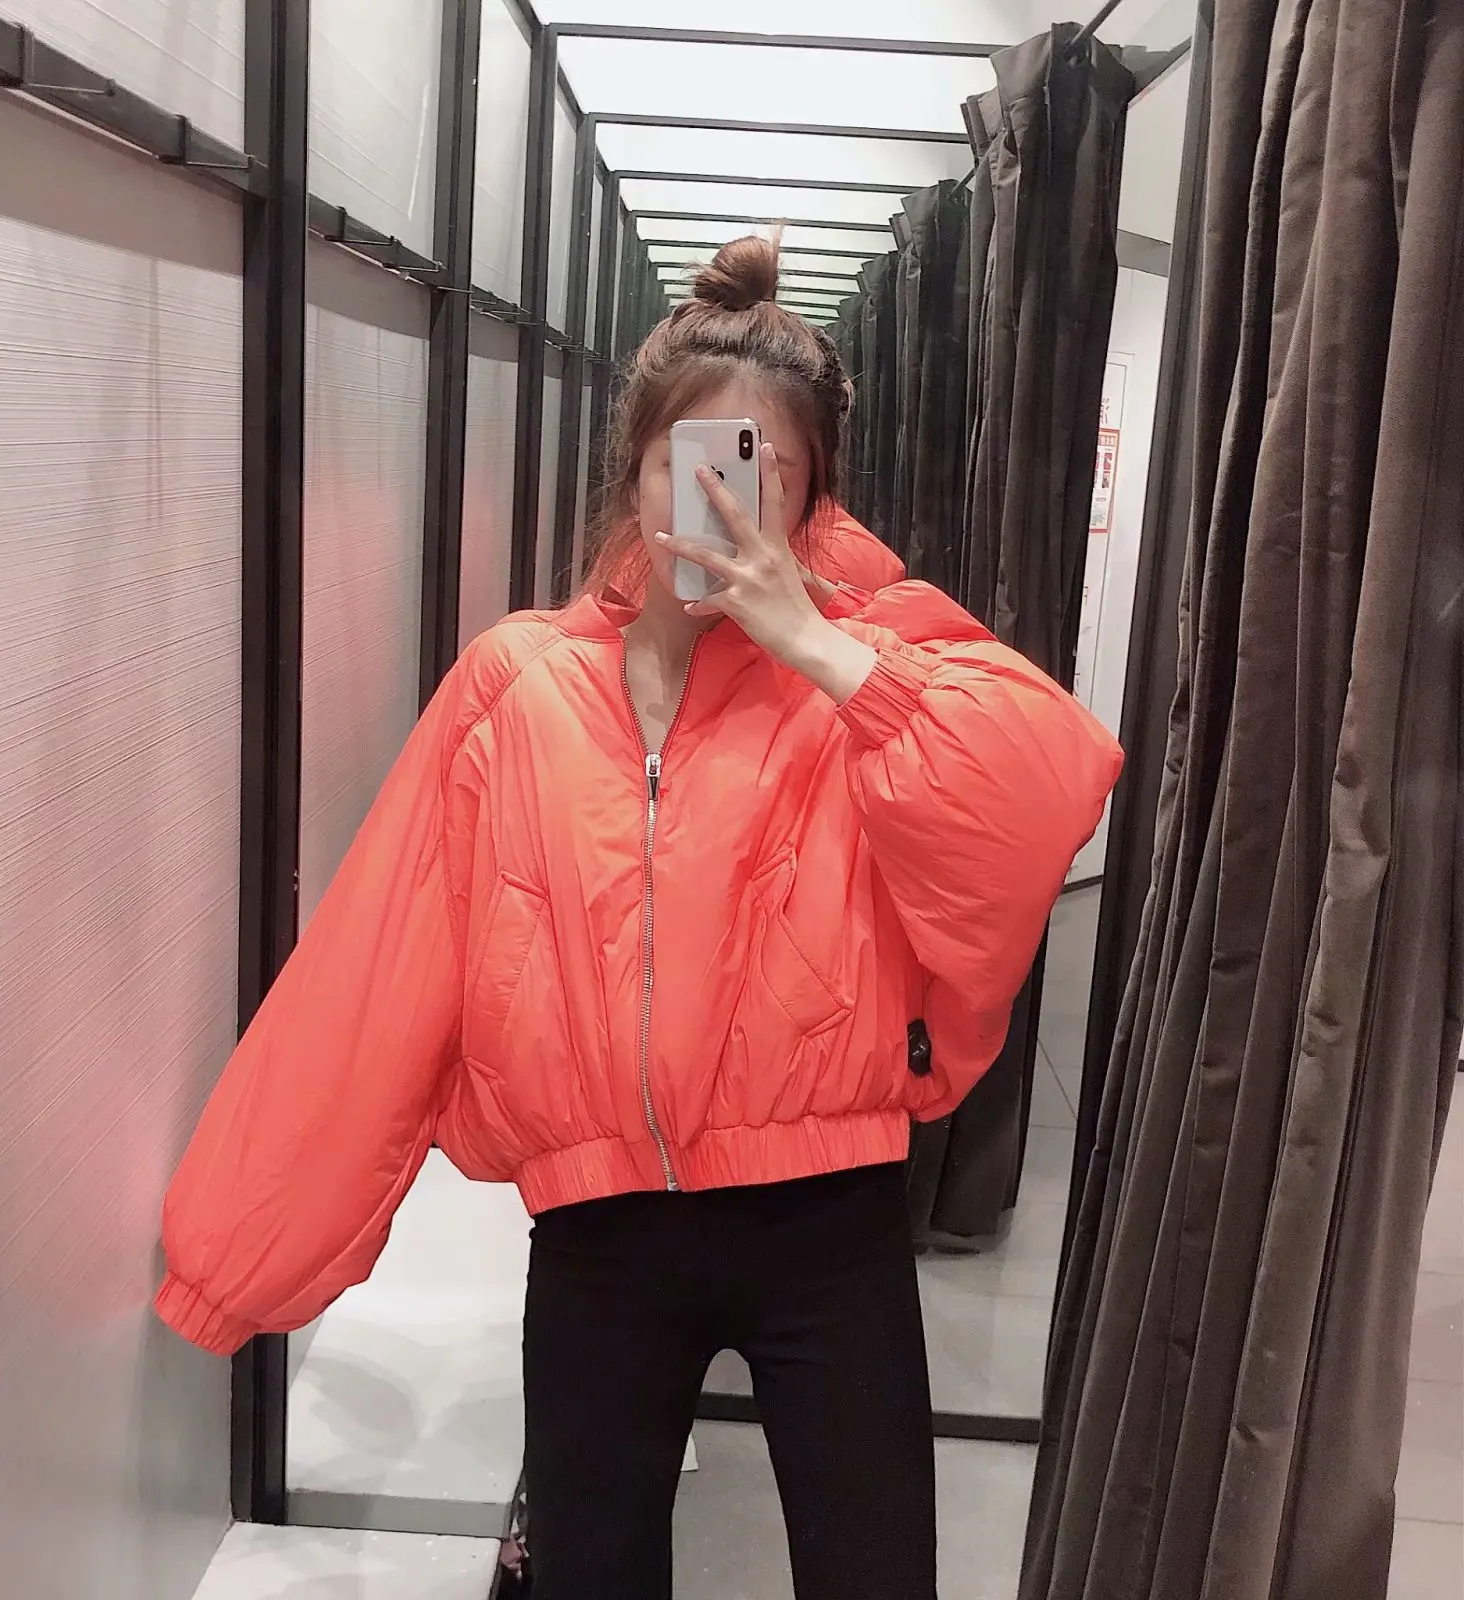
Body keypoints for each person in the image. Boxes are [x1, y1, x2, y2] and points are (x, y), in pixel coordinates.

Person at [154, 236, 1123, 1599]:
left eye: (761, 473)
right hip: (602, 1233)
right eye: (690, 464)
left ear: (813, 501)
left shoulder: (869, 672)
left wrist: (817, 642)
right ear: (635, 472)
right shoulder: (518, 685)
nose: (715, 504)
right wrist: (239, 1254)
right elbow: (378, 966)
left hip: (829, 1222)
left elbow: (1046, 782)